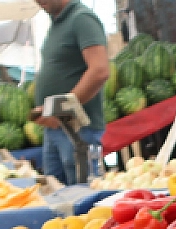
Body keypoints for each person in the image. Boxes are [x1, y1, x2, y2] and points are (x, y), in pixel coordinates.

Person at [31, 0, 110, 185]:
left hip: (78, 130)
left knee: (83, 197)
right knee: (57, 195)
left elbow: (99, 70)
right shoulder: (57, 23)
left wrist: (60, 109)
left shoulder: (82, 18)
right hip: (56, 128)